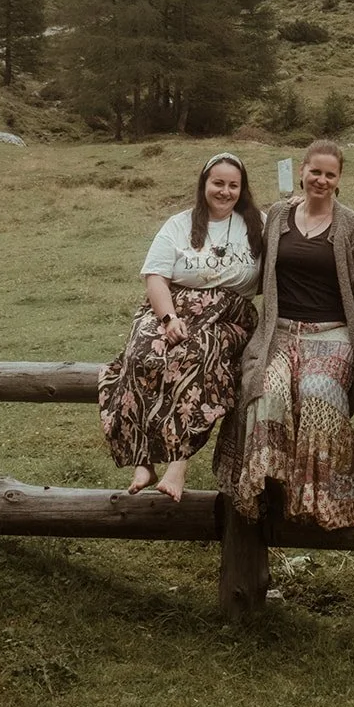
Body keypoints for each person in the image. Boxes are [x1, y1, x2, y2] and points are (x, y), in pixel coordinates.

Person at [217, 139, 354, 529]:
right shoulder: (277, 216)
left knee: (319, 399)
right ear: (302, 171)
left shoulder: (353, 225)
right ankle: (268, 492)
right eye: (315, 172)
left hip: (332, 335)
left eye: (330, 175)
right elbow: (245, 262)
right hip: (278, 332)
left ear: (339, 178)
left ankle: (323, 501)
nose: (322, 180)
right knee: (267, 392)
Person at [99, 151, 263, 502]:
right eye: (218, 183)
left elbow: (293, 237)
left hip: (228, 314)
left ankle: (179, 461)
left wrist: (292, 206)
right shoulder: (179, 224)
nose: (225, 191)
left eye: (233, 185)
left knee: (197, 353)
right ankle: (142, 459)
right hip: (173, 306)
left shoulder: (257, 224)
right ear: (204, 184)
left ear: (242, 189)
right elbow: (155, 277)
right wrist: (168, 319)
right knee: (143, 352)